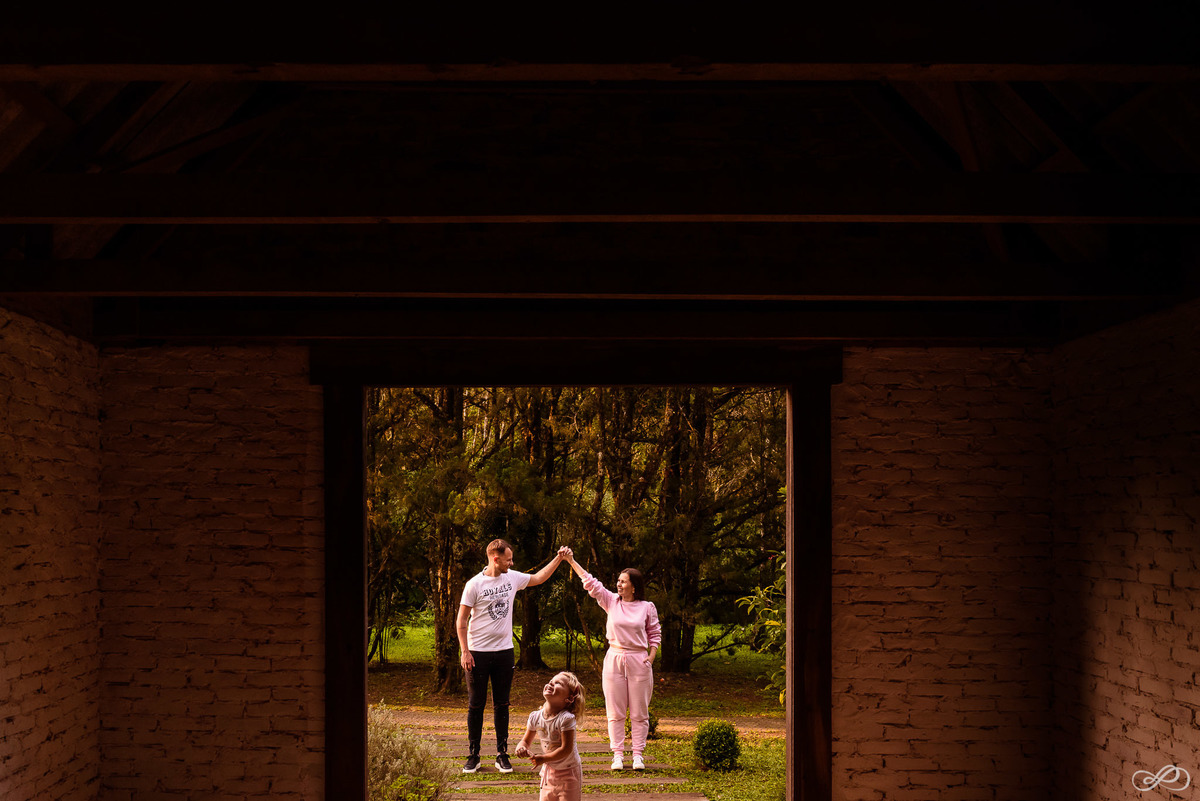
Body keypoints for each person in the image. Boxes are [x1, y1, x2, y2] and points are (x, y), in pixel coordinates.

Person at [457, 538, 567, 774]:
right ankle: (473, 755)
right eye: (508, 559)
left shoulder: (512, 578)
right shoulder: (474, 585)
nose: (512, 563)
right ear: (495, 559)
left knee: (502, 704)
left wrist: (559, 558)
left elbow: (538, 578)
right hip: (477, 653)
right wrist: (465, 651)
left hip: (504, 653)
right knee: (476, 705)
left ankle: (502, 754)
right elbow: (461, 621)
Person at [559, 547, 660, 771]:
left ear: (634, 586)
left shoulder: (646, 607)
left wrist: (651, 657)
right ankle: (618, 755)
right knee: (615, 711)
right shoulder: (611, 601)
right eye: (618, 581)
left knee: (639, 712)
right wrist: (571, 561)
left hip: (639, 660)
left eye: (623, 581)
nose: (619, 584)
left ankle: (638, 755)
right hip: (614, 658)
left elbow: (654, 633)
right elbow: (591, 583)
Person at [514, 671, 587, 801]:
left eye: (558, 683)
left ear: (570, 697)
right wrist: (521, 748)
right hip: (548, 773)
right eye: (551, 681)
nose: (551, 683)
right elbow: (525, 741)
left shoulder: (566, 719)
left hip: (569, 773)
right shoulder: (535, 717)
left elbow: (566, 749)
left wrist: (543, 758)